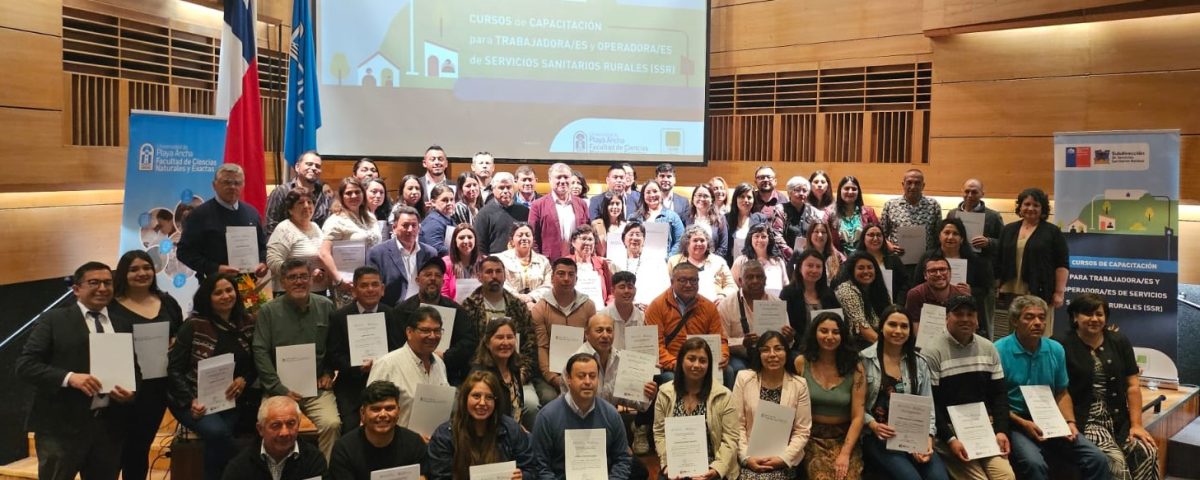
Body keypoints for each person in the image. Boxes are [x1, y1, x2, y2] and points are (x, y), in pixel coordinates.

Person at [16, 262, 138, 480]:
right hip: (61, 427)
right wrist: (70, 377)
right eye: (94, 282)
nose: (102, 288)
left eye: (107, 283)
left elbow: (134, 369)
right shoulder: (53, 319)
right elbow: (26, 365)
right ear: (76, 289)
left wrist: (131, 392)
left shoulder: (122, 324)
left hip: (109, 427)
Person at [996, 295, 1109, 480]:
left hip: (1050, 419)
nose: (1037, 323)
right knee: (1034, 463)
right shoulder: (999, 350)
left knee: (1097, 458)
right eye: (1029, 317)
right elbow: (994, 401)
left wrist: (1070, 423)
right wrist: (1023, 423)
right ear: (1015, 321)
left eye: (1041, 317)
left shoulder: (1055, 349)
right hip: (1016, 422)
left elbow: (1062, 392)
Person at [1055, 294, 1159, 480]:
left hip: (1118, 419)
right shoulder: (1060, 344)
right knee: (1116, 463)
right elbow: (1060, 390)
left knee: (1146, 451)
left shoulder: (1119, 341)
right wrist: (1069, 422)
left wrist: (1136, 425)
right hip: (1086, 421)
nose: (1094, 319)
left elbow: (1132, 386)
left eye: (1099, 314)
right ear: (1075, 317)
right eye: (1088, 314)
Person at [168, 274, 258, 480]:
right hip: (191, 400)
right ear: (207, 297)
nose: (226, 296)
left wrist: (244, 380)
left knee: (219, 438)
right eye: (218, 292)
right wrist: (191, 400)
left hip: (229, 399)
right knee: (218, 433)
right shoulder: (193, 325)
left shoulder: (248, 322)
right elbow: (174, 369)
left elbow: (255, 363)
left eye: (229, 290)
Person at [252, 259, 341, 459]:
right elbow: (260, 351)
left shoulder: (326, 306)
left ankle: (324, 471)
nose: (298, 282)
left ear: (311, 280)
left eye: (303, 276)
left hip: (316, 388)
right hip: (278, 389)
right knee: (271, 427)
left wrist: (328, 372)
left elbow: (334, 345)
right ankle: (278, 470)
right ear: (283, 282)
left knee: (332, 424)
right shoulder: (268, 311)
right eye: (292, 277)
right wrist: (278, 388)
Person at [922, 295, 1016, 480]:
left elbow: (999, 395)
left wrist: (1001, 430)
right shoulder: (932, 352)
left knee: (1006, 476)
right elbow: (930, 404)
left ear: (977, 319)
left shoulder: (988, 348)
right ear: (947, 318)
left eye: (970, 314)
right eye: (958, 314)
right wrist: (950, 439)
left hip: (983, 429)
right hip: (949, 433)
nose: (965, 319)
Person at [111, 250, 184, 480]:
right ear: (123, 274)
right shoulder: (110, 307)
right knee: (114, 451)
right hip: (121, 389)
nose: (142, 273)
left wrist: (175, 343)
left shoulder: (167, 302)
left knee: (140, 448)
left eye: (146, 267)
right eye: (134, 269)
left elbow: (180, 335)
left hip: (156, 388)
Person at [860, 307, 949, 480]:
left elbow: (928, 406)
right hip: (878, 435)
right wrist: (872, 424)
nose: (898, 331)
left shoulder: (919, 362)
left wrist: (928, 438)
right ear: (881, 327)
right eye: (892, 324)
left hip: (914, 434)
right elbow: (854, 406)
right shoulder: (864, 360)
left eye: (904, 326)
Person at [324, 266, 406, 432]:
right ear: (354, 291)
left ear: (382, 289)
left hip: (387, 382)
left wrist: (380, 364)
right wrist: (358, 367)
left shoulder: (393, 315)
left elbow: (399, 350)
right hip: (351, 384)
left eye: (375, 285)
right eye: (364, 285)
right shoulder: (339, 317)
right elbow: (334, 355)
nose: (370, 289)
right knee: (351, 427)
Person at [532, 353, 634, 479]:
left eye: (592, 376)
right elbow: (540, 466)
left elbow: (622, 459)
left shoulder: (611, 414)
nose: (587, 381)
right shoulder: (547, 417)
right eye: (581, 376)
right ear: (568, 379)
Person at [427, 371, 542, 479]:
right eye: (476, 396)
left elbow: (531, 469)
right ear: (465, 398)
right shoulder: (444, 436)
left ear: (496, 402)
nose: (482, 403)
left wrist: (523, 477)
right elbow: (440, 477)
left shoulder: (511, 429)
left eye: (489, 397)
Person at [653, 337, 740, 479]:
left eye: (703, 361)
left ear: (709, 365)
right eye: (691, 359)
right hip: (676, 465)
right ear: (681, 361)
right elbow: (659, 433)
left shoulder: (724, 395)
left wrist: (716, 469)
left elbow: (731, 438)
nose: (697, 365)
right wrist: (667, 464)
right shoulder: (664, 393)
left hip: (713, 467)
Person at [793, 311, 866, 480]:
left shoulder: (856, 367)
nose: (830, 336)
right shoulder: (801, 363)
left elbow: (858, 416)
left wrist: (845, 453)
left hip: (844, 437)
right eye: (824, 331)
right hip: (810, 436)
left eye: (836, 332)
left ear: (843, 336)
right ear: (814, 333)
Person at [732, 331, 813, 480]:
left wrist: (783, 458)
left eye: (778, 349)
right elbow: (737, 424)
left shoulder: (799, 385)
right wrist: (746, 457)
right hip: (749, 456)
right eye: (765, 350)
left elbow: (802, 431)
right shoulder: (744, 379)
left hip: (783, 458)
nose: (772, 354)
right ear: (759, 354)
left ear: (787, 352)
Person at [461, 256, 540, 404]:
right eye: (489, 272)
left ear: (504, 276)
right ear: (479, 276)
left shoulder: (518, 306)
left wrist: (521, 374)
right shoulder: (469, 306)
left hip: (515, 371)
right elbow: (465, 347)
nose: (494, 276)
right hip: (480, 373)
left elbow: (530, 344)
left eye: (498, 271)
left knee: (531, 405)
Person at [177, 163, 269, 280]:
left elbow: (262, 246)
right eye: (227, 182)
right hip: (214, 284)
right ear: (214, 185)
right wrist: (215, 268)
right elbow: (184, 252)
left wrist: (263, 262)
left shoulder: (252, 213)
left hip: (248, 284)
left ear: (243, 185)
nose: (232, 187)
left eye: (237, 183)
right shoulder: (199, 215)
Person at [996, 188, 1069, 332]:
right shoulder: (1008, 229)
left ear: (1043, 208)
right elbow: (999, 259)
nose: (1030, 208)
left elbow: (1062, 264)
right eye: (1027, 204)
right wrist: (997, 285)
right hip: (1011, 290)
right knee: (1014, 331)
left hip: (1039, 290)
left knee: (1038, 330)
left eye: (1036, 205)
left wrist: (1059, 292)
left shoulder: (1053, 232)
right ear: (1020, 206)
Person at [394, 257, 476, 385]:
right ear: (417, 280)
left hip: (449, 374)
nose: (433, 279)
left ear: (443, 282)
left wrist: (446, 357)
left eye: (438, 275)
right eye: (428, 275)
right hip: (408, 373)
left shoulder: (456, 310)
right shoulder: (402, 311)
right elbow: (396, 344)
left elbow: (468, 342)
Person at [367, 305, 451, 428]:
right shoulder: (386, 364)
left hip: (435, 437)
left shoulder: (439, 363)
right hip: (397, 438)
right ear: (409, 332)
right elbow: (371, 413)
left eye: (437, 331)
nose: (433, 336)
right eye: (425, 330)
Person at [327, 381, 429, 479]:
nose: (383, 414)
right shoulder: (344, 449)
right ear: (362, 413)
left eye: (389, 408)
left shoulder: (414, 443)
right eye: (375, 409)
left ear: (398, 411)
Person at [644, 263, 730, 373]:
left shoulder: (709, 307)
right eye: (682, 280)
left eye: (693, 280)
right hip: (672, 364)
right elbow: (655, 345)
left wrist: (723, 355)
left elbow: (719, 339)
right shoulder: (657, 306)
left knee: (728, 372)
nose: (688, 285)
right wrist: (676, 364)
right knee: (670, 378)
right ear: (672, 282)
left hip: (701, 362)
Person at [532, 257, 598, 400]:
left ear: (576, 279)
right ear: (552, 278)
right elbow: (542, 346)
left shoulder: (588, 306)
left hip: (582, 371)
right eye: (561, 274)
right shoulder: (540, 308)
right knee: (549, 397)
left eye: (571, 274)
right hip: (550, 374)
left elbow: (592, 344)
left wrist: (584, 375)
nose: (566, 279)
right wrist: (553, 378)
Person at [912, 218, 992, 335]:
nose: (950, 237)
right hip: (933, 312)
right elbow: (917, 284)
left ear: (962, 238)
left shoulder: (975, 260)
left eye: (955, 234)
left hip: (963, 311)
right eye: (946, 233)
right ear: (939, 236)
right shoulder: (928, 257)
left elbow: (985, 289)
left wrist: (971, 291)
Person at [946, 178, 1005, 333]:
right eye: (967, 191)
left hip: (983, 274)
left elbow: (1004, 244)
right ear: (961, 192)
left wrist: (989, 242)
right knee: (955, 312)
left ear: (982, 194)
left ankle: (987, 344)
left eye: (974, 192)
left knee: (984, 316)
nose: (970, 195)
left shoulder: (993, 216)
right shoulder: (952, 214)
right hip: (957, 269)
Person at [717, 259, 789, 387]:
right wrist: (742, 342)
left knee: (791, 361)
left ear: (765, 280)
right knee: (739, 370)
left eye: (759, 277)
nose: (755, 281)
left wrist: (789, 337)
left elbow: (785, 340)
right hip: (740, 355)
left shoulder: (776, 303)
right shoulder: (726, 305)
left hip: (770, 353)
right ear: (740, 281)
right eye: (750, 277)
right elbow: (722, 340)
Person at [222, 395, 327, 479]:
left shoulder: (313, 460)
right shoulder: (239, 467)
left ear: (298, 425)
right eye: (276, 425)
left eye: (291, 423)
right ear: (260, 429)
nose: (284, 432)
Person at [319, 177, 382, 302]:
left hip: (372, 280)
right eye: (348, 193)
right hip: (348, 282)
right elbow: (324, 253)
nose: (354, 196)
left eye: (357, 192)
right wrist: (339, 280)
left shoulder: (370, 217)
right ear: (341, 197)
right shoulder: (336, 221)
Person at [469, 317, 536, 428]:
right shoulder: (479, 375)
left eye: (509, 337)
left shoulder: (515, 369)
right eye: (499, 337)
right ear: (487, 342)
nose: (505, 342)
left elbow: (517, 410)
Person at [367, 205, 438, 306]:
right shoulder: (377, 254)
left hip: (423, 309)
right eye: (405, 225)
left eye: (414, 225)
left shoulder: (430, 253)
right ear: (394, 228)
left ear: (419, 228)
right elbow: (373, 290)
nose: (410, 230)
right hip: (392, 310)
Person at [267, 187, 328, 293]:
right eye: (300, 203)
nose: (306, 206)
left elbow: (320, 258)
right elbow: (273, 261)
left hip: (317, 292)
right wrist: (302, 276)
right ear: (290, 210)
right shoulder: (285, 228)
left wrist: (321, 271)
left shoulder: (315, 227)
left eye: (309, 202)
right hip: (292, 294)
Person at [779, 249, 841, 353]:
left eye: (818, 266)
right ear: (800, 268)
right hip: (797, 347)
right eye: (810, 266)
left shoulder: (829, 294)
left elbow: (838, 321)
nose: (814, 270)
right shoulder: (788, 293)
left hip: (828, 345)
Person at [528, 162, 589, 261]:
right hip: (549, 262)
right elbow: (533, 237)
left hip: (577, 260)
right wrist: (539, 261)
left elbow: (587, 233)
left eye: (566, 177)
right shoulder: (537, 205)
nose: (563, 181)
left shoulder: (582, 204)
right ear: (550, 180)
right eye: (558, 177)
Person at [880, 169, 943, 262]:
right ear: (903, 184)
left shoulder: (933, 205)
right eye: (909, 182)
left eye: (917, 183)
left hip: (925, 261)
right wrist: (887, 244)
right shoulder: (890, 205)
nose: (913, 187)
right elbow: (881, 234)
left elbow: (939, 236)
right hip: (897, 260)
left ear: (923, 186)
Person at [833, 252, 891, 350]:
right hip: (857, 346)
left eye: (870, 267)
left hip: (878, 341)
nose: (866, 271)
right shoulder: (846, 289)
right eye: (860, 268)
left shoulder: (878, 288)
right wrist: (889, 348)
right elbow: (862, 328)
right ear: (852, 271)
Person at [668, 224, 737, 305]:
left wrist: (722, 295)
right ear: (687, 243)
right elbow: (667, 286)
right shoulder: (674, 261)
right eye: (695, 240)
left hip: (714, 306)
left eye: (702, 240)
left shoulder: (719, 262)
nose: (699, 243)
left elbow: (732, 286)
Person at [265, 151, 331, 235]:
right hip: (287, 241)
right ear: (297, 167)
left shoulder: (324, 194)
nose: (314, 168)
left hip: (319, 241)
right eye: (309, 164)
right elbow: (270, 226)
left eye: (317, 166)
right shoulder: (281, 192)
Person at [904, 255, 971, 333]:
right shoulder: (915, 294)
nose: (938, 274)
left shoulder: (961, 296)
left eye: (942, 269)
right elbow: (915, 329)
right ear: (925, 275)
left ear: (950, 272)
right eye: (932, 271)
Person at [496, 222, 553, 306]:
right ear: (511, 240)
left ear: (533, 239)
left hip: (537, 305)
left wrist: (531, 297)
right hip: (509, 305)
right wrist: (518, 298)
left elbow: (549, 285)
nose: (524, 238)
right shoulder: (500, 260)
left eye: (527, 235)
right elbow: (500, 284)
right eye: (520, 235)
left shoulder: (543, 261)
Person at [474, 172, 530, 254]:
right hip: (494, 259)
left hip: (520, 258)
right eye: (501, 188)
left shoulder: (524, 211)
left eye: (509, 187)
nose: (505, 191)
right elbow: (479, 245)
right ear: (493, 190)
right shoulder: (484, 213)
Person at [826, 175, 879, 257]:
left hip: (864, 259)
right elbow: (826, 239)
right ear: (840, 191)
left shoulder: (869, 212)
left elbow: (878, 235)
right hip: (838, 259)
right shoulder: (829, 213)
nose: (850, 192)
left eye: (854, 189)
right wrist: (838, 255)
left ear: (858, 192)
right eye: (846, 188)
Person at [731, 222, 790, 296]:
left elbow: (786, 287)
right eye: (756, 236)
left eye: (763, 236)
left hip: (775, 302)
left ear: (769, 239)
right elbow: (732, 285)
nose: (760, 240)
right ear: (750, 239)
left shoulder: (778, 261)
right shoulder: (741, 261)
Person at [858, 223, 909, 304]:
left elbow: (905, 283)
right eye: (871, 235)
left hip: (892, 307)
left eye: (879, 235)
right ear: (863, 238)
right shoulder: (856, 261)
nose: (875, 238)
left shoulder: (893, 259)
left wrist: (899, 303)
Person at [633, 178, 686, 256]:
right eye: (648, 192)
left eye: (655, 191)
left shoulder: (672, 216)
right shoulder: (634, 218)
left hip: (664, 260)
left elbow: (680, 241)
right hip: (639, 259)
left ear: (661, 193)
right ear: (643, 196)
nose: (652, 195)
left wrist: (668, 258)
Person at [749, 165, 793, 259]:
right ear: (755, 181)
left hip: (778, 251)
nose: (765, 180)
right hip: (754, 249)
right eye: (761, 177)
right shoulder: (750, 199)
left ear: (775, 181)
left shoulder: (783, 200)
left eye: (769, 177)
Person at [566, 225, 613, 305]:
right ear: (573, 242)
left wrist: (609, 306)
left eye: (590, 239)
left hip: (599, 311)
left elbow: (611, 292)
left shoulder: (602, 263)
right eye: (583, 239)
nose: (587, 243)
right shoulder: (565, 263)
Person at [599, 270, 646, 350]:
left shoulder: (643, 317)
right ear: (612, 291)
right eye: (622, 287)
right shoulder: (602, 316)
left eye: (630, 287)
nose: (626, 291)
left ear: (635, 290)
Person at [686, 183, 731, 260]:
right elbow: (682, 244)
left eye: (706, 196)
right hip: (690, 262)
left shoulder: (720, 219)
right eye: (699, 195)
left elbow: (723, 247)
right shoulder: (686, 218)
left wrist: (710, 262)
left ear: (712, 200)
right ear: (693, 198)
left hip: (713, 263)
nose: (702, 199)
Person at [783, 175, 823, 254]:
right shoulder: (781, 210)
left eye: (804, 191)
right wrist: (791, 254)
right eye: (797, 190)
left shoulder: (814, 212)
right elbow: (777, 236)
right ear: (789, 192)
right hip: (785, 255)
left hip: (810, 253)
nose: (801, 193)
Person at [442, 223, 481, 300]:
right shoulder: (445, 263)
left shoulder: (483, 262)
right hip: (452, 306)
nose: (466, 241)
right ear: (455, 241)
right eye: (461, 238)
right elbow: (443, 294)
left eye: (470, 237)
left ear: (475, 240)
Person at [725, 182, 760, 265]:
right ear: (735, 199)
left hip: (754, 265)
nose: (746, 200)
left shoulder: (760, 219)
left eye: (749, 197)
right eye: (742, 196)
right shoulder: (725, 219)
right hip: (731, 265)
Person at [420, 183, 457, 256]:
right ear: (433, 202)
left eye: (452, 200)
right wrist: (459, 252)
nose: (449, 203)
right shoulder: (433, 222)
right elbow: (436, 249)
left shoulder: (448, 219)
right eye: (445, 200)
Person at [590, 191, 627, 258]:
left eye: (617, 204)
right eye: (611, 203)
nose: (615, 207)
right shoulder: (597, 225)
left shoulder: (626, 226)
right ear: (605, 206)